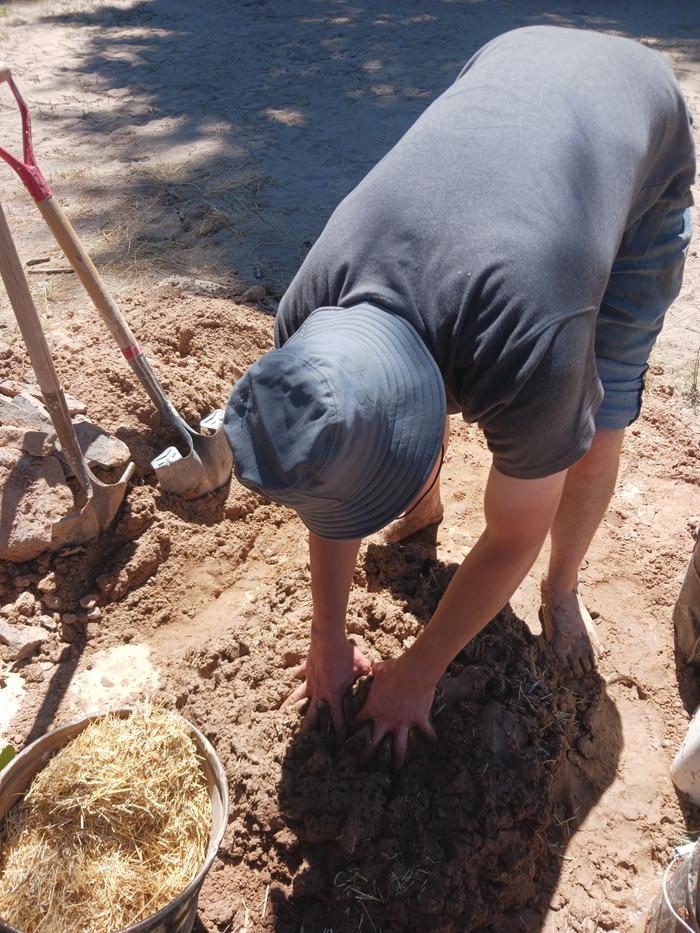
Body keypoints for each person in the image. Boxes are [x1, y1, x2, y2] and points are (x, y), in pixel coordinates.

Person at [224, 26, 695, 766]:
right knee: (377, 429)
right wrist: (329, 635)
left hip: (635, 140)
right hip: (513, 76)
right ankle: (420, 500)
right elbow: (335, 455)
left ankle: (564, 589)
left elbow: (512, 533)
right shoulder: (303, 318)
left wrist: (419, 670)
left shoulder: (533, 345)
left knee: (595, 430)